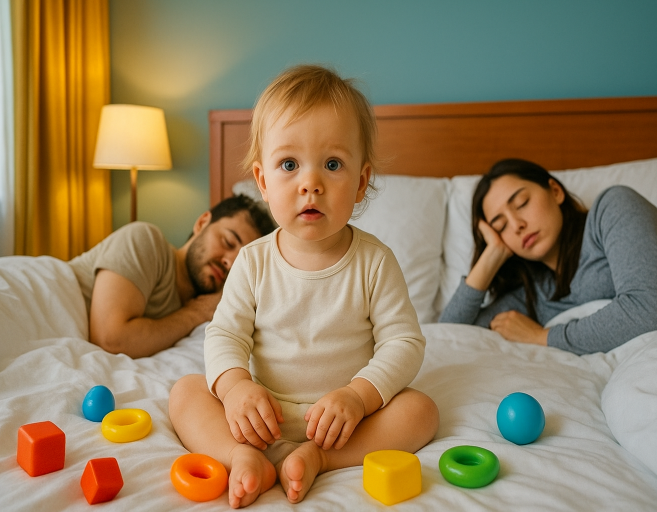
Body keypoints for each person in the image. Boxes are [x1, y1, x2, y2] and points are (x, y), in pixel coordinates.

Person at [168, 65, 439, 508]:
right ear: (263, 182)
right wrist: (236, 388)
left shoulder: (374, 262)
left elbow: (404, 342)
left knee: (421, 411)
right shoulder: (254, 261)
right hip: (261, 414)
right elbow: (224, 334)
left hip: (346, 420)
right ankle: (240, 455)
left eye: (332, 164)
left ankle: (322, 459)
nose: (310, 183)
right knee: (186, 391)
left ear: (360, 183)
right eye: (289, 164)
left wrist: (358, 395)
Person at [439, 158, 657, 355]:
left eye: (522, 203)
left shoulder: (614, 208)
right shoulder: (535, 294)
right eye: (501, 225)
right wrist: (490, 258)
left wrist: (541, 336)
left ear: (555, 191)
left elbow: (648, 310)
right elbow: (449, 339)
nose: (516, 225)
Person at [68, 194, 275, 358]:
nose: (229, 262)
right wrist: (196, 313)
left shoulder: (218, 305)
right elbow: (110, 339)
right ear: (202, 222)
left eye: (241, 261)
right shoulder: (145, 240)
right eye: (228, 242)